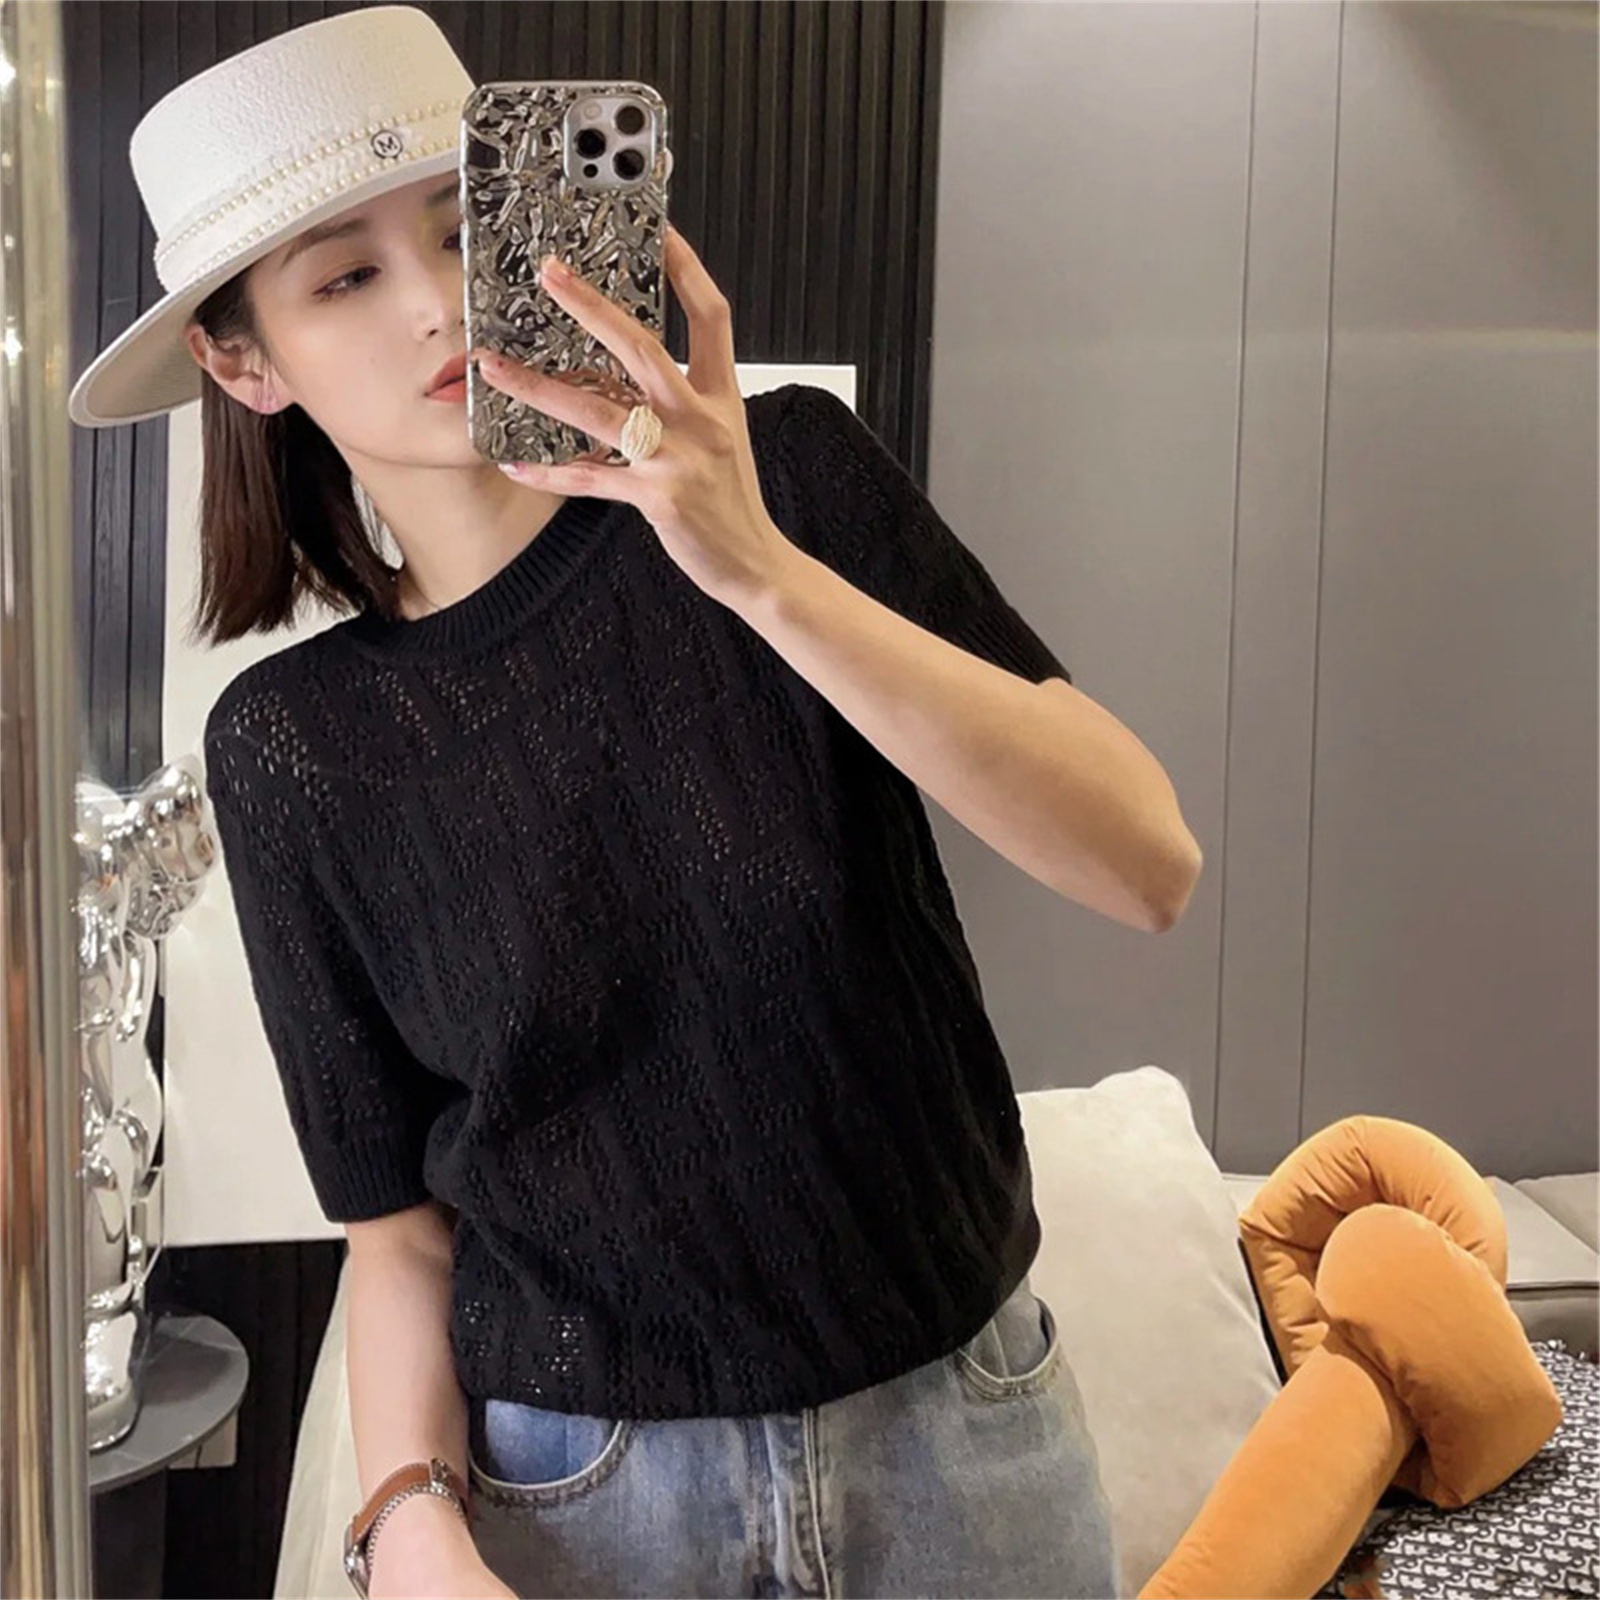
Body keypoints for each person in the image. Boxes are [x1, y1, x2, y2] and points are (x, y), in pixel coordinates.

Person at [70, 8, 1199, 1598]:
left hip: (960, 1447)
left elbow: (1147, 864)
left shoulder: (790, 484)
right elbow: (399, 1234)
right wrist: (407, 1522)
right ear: (242, 360)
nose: (439, 299)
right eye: (343, 279)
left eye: (463, 226)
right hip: (584, 1505)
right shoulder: (295, 747)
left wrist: (763, 576)